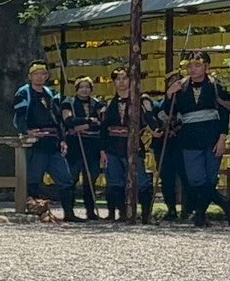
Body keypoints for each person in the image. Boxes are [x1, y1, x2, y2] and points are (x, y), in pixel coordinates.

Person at [158, 52, 230, 227]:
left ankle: (200, 216)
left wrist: (222, 138)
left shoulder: (216, 86)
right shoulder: (180, 87)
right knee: (195, 179)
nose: (193, 69)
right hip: (189, 137)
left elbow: (224, 113)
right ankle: (225, 204)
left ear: (206, 67)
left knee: (210, 179)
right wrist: (169, 94)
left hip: (212, 136)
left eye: (197, 65)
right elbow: (168, 112)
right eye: (190, 66)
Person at [13, 62, 76, 221]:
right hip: (36, 142)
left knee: (66, 179)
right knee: (34, 179)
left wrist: (63, 139)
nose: (39, 77)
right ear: (30, 76)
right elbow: (20, 116)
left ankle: (69, 214)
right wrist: (26, 131)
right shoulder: (23, 93)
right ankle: (35, 213)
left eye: (43, 74)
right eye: (36, 74)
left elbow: (59, 119)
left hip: (53, 142)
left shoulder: (52, 94)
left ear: (47, 76)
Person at [97, 67, 156, 224]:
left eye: (124, 78)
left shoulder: (141, 100)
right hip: (112, 147)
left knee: (142, 182)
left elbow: (150, 119)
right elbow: (103, 129)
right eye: (118, 79)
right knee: (115, 182)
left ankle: (146, 215)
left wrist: (156, 129)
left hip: (133, 145)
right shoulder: (109, 103)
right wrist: (102, 150)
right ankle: (122, 213)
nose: (121, 82)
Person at [60, 76, 103, 221]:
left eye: (87, 87)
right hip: (75, 145)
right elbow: (68, 121)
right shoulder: (69, 103)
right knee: (71, 178)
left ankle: (90, 211)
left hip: (92, 144)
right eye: (82, 87)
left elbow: (101, 122)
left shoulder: (97, 104)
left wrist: (82, 126)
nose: (84, 90)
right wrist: (88, 121)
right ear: (77, 89)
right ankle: (69, 212)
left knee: (90, 179)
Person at [152, 69, 189, 221]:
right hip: (164, 146)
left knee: (187, 177)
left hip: (182, 145)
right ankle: (171, 209)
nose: (176, 85)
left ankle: (188, 210)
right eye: (172, 82)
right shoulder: (158, 104)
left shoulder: (187, 102)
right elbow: (157, 119)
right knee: (167, 179)